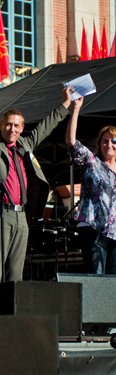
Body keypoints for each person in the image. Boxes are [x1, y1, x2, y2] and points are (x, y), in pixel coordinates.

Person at [0, 87, 72, 284]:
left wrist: (66, 104)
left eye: (16, 126)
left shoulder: (26, 145)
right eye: (8, 125)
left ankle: (12, 313)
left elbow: (46, 126)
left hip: (21, 215)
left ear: (22, 128)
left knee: (16, 272)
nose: (12, 129)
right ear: (2, 126)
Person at [65, 96, 116, 274]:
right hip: (93, 228)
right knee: (97, 278)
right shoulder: (92, 162)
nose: (109, 144)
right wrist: (76, 109)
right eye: (105, 140)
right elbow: (72, 142)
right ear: (99, 144)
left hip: (115, 231)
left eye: (113, 140)